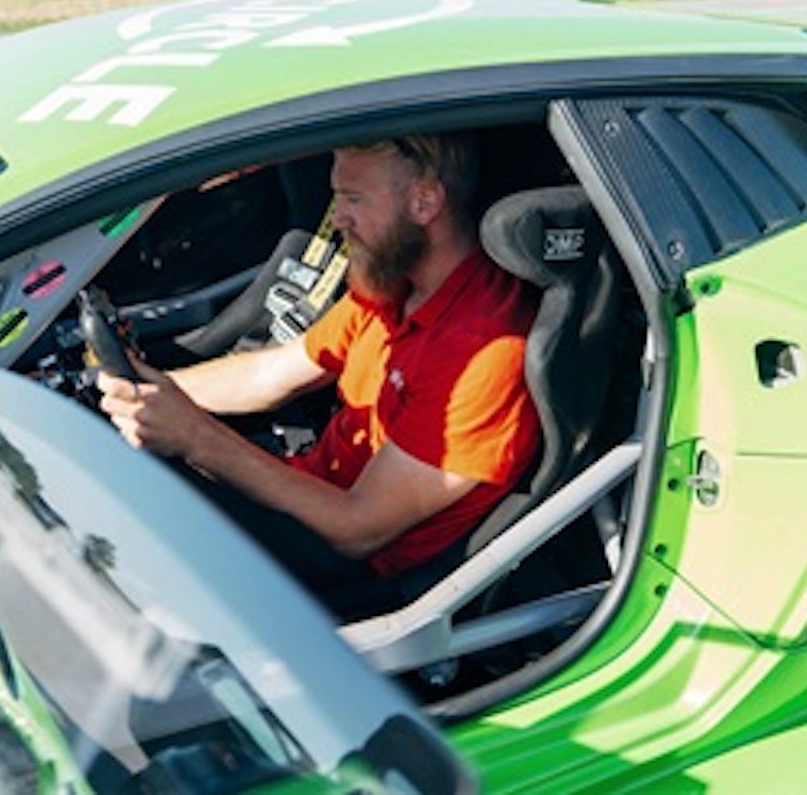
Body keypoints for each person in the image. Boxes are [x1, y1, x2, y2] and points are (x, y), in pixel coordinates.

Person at [97, 134, 540, 608]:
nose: (337, 217)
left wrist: (195, 438)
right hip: (305, 498)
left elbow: (358, 529)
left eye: (352, 199)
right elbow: (271, 376)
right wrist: (140, 388)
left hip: (343, 576)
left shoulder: (485, 351)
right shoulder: (393, 284)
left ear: (425, 201)